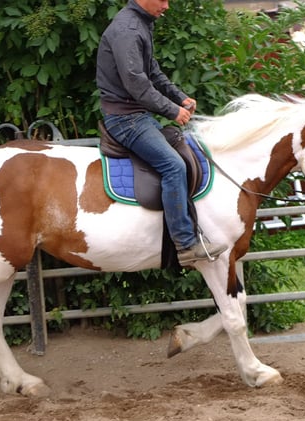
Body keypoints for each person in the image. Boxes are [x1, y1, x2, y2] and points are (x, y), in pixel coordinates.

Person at [96, 0, 226, 266]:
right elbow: (136, 84)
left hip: (136, 115)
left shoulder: (140, 24)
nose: (167, 6)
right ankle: (185, 244)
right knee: (173, 166)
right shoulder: (129, 30)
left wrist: (180, 97)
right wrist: (173, 111)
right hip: (126, 119)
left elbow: (152, 72)